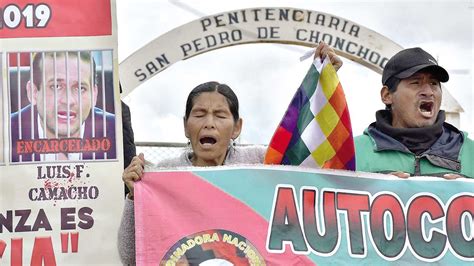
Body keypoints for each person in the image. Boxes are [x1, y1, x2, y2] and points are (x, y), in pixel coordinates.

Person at [117, 42, 343, 264]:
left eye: (220, 115)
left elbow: (310, 160)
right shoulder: (163, 175)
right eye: (199, 114)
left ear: (237, 127)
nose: (209, 123)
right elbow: (131, 255)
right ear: (186, 126)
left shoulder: (261, 162)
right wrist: (134, 198)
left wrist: (324, 84)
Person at [355, 47, 473, 178]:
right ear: (387, 95)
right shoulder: (353, 152)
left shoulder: (470, 152)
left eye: (434, 83)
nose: (428, 92)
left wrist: (468, 193)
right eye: (416, 82)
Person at [10, 51, 116, 162]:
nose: (68, 101)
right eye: (56, 86)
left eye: (80, 88)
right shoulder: (6, 132)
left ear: (94, 95)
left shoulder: (115, 130)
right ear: (33, 92)